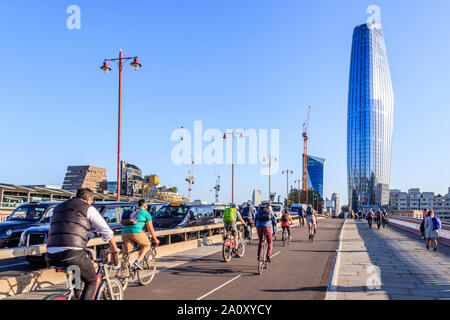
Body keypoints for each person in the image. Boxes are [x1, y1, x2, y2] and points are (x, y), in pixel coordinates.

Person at [46, 188, 120, 300]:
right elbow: (107, 231)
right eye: (92, 201)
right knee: (91, 280)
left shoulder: (58, 207)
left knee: (76, 271)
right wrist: (114, 248)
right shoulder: (88, 208)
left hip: (51, 253)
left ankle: (75, 297)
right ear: (89, 199)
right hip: (72, 253)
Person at [121, 199, 160, 270]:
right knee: (147, 245)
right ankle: (138, 261)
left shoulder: (132, 211)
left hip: (124, 232)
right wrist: (155, 239)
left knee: (126, 253)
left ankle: (123, 272)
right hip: (136, 232)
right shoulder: (146, 214)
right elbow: (150, 229)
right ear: (145, 206)